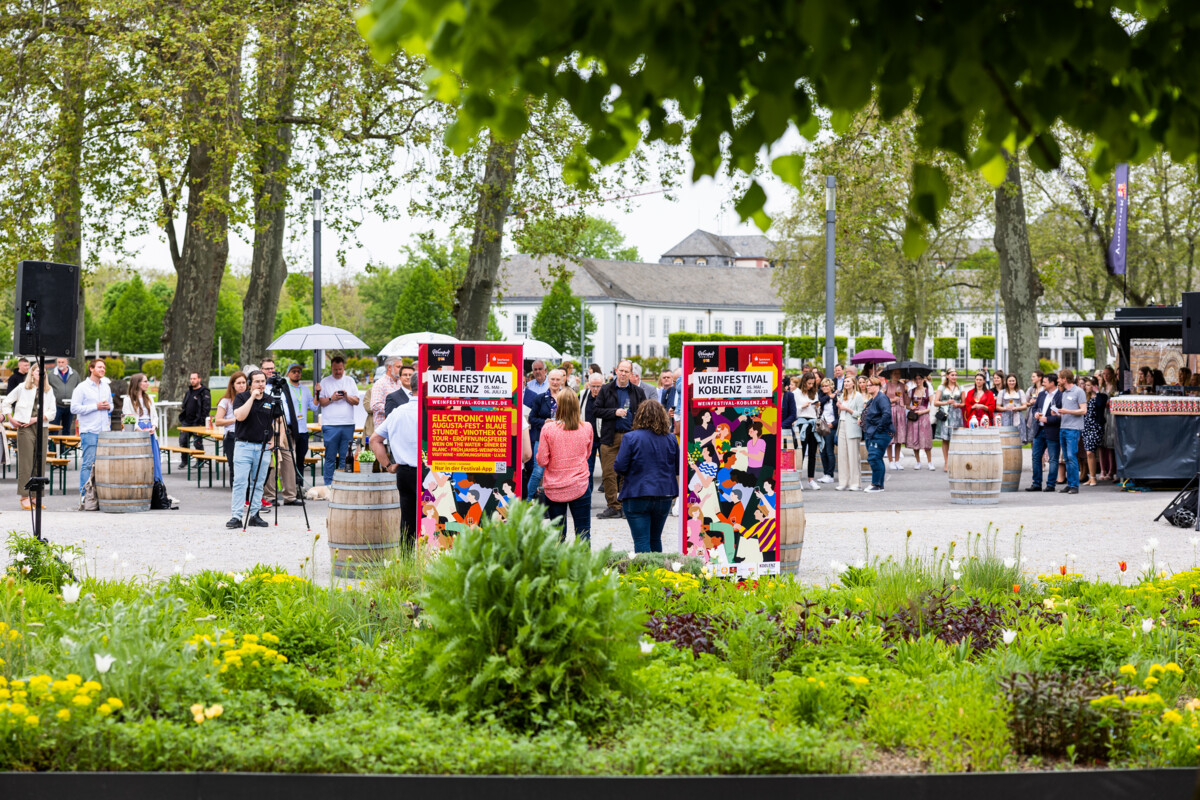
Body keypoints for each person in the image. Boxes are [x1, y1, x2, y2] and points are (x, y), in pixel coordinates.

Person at [614, 399, 679, 553]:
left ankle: (644, 575)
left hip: (637, 493)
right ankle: (659, 574)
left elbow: (620, 466)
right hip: (664, 493)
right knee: (655, 539)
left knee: (641, 541)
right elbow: (677, 467)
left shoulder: (631, 438)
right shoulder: (670, 439)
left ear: (640, 417)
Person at [536, 388, 593, 542]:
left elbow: (542, 461)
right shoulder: (587, 427)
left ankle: (559, 566)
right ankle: (584, 565)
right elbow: (587, 455)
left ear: (558, 406)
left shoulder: (548, 428)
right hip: (579, 484)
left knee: (557, 536)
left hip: (554, 487)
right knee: (583, 534)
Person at [369, 378, 420, 544]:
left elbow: (374, 440)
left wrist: (388, 466)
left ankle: (406, 561)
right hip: (426, 472)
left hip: (403, 472)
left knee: (407, 521)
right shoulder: (429, 411)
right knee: (432, 518)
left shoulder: (398, 412)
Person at [593, 360, 642, 519]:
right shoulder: (606, 389)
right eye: (620, 370)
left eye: (626, 371)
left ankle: (626, 506)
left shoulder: (637, 392)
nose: (622, 374)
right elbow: (596, 410)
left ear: (631, 374)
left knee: (629, 473)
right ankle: (613, 506)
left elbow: (643, 412)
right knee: (608, 473)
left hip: (631, 437)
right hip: (610, 437)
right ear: (616, 371)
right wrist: (614, 412)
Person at [3, 364, 55, 510]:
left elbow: (53, 412)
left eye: (44, 372)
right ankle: (24, 496)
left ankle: (35, 497)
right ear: (32, 373)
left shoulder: (49, 390)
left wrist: (36, 419)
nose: (41, 373)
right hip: (25, 428)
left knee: (40, 462)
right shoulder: (22, 387)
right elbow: (6, 402)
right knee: (26, 463)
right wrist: (11, 419)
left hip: (41, 427)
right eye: (39, 371)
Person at [227, 370, 273, 528]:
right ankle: (236, 516)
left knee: (258, 483)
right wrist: (252, 397)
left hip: (263, 446)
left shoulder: (270, 400)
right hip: (243, 445)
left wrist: (275, 440)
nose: (260, 384)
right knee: (240, 482)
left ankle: (255, 514)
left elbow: (277, 421)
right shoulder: (241, 397)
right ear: (250, 383)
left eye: (263, 381)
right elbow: (239, 416)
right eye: (257, 381)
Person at [70, 358, 112, 505]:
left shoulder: (106, 387)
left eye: (104, 368)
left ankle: (99, 494)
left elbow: (111, 406)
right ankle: (85, 495)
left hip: (104, 430)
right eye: (100, 367)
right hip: (89, 430)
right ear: (91, 369)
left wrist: (108, 406)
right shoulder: (81, 388)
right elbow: (74, 408)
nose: (102, 370)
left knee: (103, 464)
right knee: (88, 464)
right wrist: (96, 406)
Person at [317, 355, 360, 485]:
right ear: (331, 368)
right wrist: (331, 399)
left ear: (343, 367)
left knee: (345, 456)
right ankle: (328, 484)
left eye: (340, 369)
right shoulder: (325, 382)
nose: (338, 372)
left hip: (347, 424)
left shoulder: (350, 381)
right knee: (330, 457)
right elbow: (320, 403)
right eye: (335, 369)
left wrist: (346, 396)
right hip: (330, 425)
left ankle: (343, 483)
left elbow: (357, 401)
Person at [527, 368, 566, 498]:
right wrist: (545, 422)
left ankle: (554, 501)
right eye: (552, 379)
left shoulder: (566, 398)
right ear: (548, 380)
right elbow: (532, 418)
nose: (555, 382)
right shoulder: (540, 398)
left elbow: (574, 418)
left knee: (557, 471)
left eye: (558, 380)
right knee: (537, 472)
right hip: (542, 439)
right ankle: (528, 501)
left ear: (562, 381)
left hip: (561, 440)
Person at [122, 373, 163, 483]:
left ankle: (157, 486)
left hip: (150, 429)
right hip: (137, 430)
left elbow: (154, 416)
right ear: (138, 383)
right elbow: (128, 417)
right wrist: (139, 429)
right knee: (139, 459)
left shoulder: (149, 398)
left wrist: (153, 427)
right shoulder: (128, 400)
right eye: (145, 381)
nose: (147, 383)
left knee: (154, 459)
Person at [1027, 373, 1062, 492]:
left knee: (1053, 459)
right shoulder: (1041, 394)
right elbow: (1035, 408)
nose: (1042, 384)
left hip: (1052, 431)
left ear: (1052, 383)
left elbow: (1062, 416)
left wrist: (1048, 419)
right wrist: (1036, 413)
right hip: (1039, 430)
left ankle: (1051, 484)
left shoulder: (1060, 396)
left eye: (1045, 382)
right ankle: (1036, 483)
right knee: (1036, 457)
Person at [1055, 368, 1087, 494]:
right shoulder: (1064, 393)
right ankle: (1070, 484)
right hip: (1063, 427)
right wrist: (1058, 413)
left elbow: (1083, 410)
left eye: (1059, 378)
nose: (1058, 380)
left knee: (1071, 456)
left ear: (1064, 379)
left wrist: (1067, 411)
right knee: (1066, 459)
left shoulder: (1079, 391)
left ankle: (1074, 485)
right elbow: (1067, 411)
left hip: (1073, 429)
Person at [861, 376, 894, 492]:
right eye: (867, 385)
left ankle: (876, 484)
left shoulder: (882, 398)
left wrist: (878, 429)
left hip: (880, 433)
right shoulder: (873, 399)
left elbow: (886, 414)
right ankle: (879, 484)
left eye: (870, 385)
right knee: (876, 458)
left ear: (877, 386)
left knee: (874, 457)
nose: (867, 387)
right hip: (871, 432)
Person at [835, 375, 865, 491]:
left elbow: (860, 414)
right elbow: (840, 413)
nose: (846, 383)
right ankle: (843, 482)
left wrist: (846, 409)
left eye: (848, 381)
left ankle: (855, 483)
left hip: (852, 427)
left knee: (853, 456)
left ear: (853, 383)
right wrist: (839, 407)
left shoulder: (857, 396)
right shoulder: (843, 395)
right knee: (842, 456)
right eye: (845, 381)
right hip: (842, 425)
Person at [792, 372, 821, 490]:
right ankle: (798, 478)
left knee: (813, 453)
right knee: (801, 452)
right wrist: (802, 407)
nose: (810, 386)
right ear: (804, 382)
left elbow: (817, 413)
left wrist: (818, 407)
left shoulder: (814, 393)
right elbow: (794, 411)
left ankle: (811, 479)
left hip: (813, 423)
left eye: (812, 384)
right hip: (802, 423)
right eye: (809, 383)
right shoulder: (796, 393)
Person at [177, 371, 210, 467]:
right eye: (191, 378)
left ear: (199, 379)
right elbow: (184, 405)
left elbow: (206, 408)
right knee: (183, 441)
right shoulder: (189, 392)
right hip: (186, 422)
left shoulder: (204, 392)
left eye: (194, 378)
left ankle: (200, 461)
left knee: (197, 443)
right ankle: (184, 461)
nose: (192, 380)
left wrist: (201, 421)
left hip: (197, 422)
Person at [579, 372, 604, 495]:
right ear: (588, 385)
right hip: (587, 440)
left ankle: (612, 504)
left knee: (608, 470)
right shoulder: (583, 395)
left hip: (603, 438)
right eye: (593, 386)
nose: (595, 389)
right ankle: (587, 496)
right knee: (588, 470)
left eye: (598, 386)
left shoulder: (607, 395)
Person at [214, 372, 247, 464]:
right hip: (232, 436)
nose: (242, 385)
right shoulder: (226, 401)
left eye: (244, 383)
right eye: (238, 383)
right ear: (233, 385)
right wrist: (235, 420)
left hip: (248, 436)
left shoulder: (250, 399)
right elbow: (218, 421)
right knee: (234, 467)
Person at [933, 369, 962, 472]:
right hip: (945, 415)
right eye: (952, 375)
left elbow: (964, 402)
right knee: (945, 439)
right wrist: (946, 402)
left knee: (956, 439)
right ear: (947, 376)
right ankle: (946, 462)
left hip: (957, 415)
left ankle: (955, 462)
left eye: (955, 375)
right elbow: (935, 402)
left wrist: (958, 404)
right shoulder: (942, 387)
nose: (954, 377)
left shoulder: (960, 387)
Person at [1082, 376, 1109, 487]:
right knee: (1088, 453)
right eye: (1086, 385)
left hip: (1096, 426)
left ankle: (1093, 478)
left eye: (1088, 385)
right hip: (1086, 426)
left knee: (1090, 451)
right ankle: (1091, 477)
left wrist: (1097, 392)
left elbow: (1100, 404)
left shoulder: (1101, 397)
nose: (1086, 387)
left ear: (1094, 386)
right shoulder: (1085, 397)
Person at [905, 373, 934, 469]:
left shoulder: (928, 391)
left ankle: (930, 462)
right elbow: (907, 405)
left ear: (924, 379)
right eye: (916, 379)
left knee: (926, 438)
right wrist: (911, 407)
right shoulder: (911, 391)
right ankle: (918, 462)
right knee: (915, 438)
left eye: (920, 379)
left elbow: (932, 406)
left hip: (924, 416)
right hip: (914, 417)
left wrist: (923, 411)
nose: (918, 381)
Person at [48, 357, 81, 436]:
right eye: (59, 362)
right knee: (54, 428)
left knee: (67, 429)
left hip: (70, 406)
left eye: (62, 362)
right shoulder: (51, 374)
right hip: (56, 405)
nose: (60, 364)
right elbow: (47, 388)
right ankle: (53, 447)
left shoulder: (74, 374)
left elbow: (79, 387)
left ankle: (64, 448)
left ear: (67, 362)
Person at [370, 357, 404, 428]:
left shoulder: (400, 383)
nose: (401, 370)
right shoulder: (380, 383)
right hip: (384, 428)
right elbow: (375, 405)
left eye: (401, 367)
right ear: (389, 367)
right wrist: (394, 409)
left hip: (398, 426)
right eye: (398, 367)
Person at [884, 370, 908, 469]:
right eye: (895, 373)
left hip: (900, 412)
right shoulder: (886, 385)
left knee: (899, 437)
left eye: (898, 373)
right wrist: (893, 400)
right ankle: (890, 461)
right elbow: (882, 399)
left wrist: (906, 392)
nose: (896, 375)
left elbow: (906, 401)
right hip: (890, 411)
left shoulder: (902, 386)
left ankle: (897, 461)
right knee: (890, 437)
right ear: (890, 375)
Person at [817, 377, 838, 483]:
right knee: (822, 451)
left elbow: (839, 415)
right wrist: (829, 396)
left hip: (831, 427)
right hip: (821, 426)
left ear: (831, 387)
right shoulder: (822, 397)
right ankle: (826, 474)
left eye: (826, 386)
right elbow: (818, 402)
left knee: (829, 451)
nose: (824, 388)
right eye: (823, 386)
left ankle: (830, 474)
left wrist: (833, 424)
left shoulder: (836, 398)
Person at [1023, 370, 1044, 443]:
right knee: (1032, 437)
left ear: (1040, 378)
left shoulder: (1044, 389)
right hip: (1031, 414)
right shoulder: (1031, 389)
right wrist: (1030, 403)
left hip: (1041, 413)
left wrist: (1037, 402)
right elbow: (1025, 402)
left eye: (1034, 376)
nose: (1032, 378)